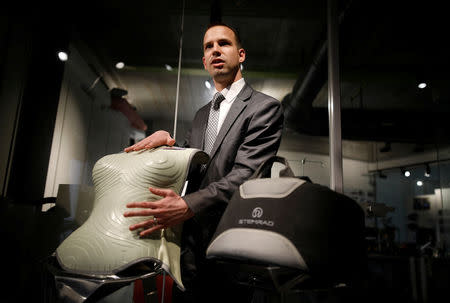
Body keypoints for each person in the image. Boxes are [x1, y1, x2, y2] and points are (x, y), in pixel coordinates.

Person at [123, 22, 284, 302]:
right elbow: (193, 167)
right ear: (204, 60)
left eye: (224, 44)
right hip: (189, 250)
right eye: (209, 47)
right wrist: (168, 144)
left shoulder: (264, 108)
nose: (215, 51)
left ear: (241, 54)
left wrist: (188, 204)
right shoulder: (201, 115)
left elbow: (247, 176)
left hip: (230, 249)